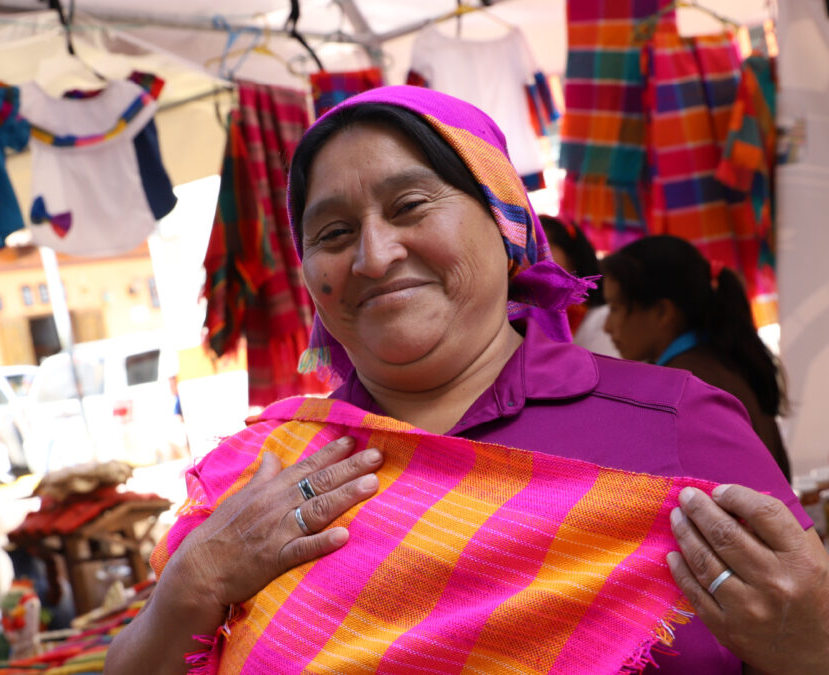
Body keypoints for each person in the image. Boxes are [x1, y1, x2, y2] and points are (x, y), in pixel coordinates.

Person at [103, 87, 828, 674]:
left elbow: (802, 632)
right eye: (331, 233)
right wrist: (191, 588)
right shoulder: (266, 472)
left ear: (506, 222)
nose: (375, 255)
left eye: (410, 206)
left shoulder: (672, 424)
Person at [600, 235, 791, 481]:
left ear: (662, 312)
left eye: (615, 308)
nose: (607, 326)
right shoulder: (723, 364)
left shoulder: (681, 387)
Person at [538, 214, 619, 357]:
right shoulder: (529, 313)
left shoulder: (601, 318)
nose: (529, 261)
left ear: (571, 256)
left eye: (540, 250)